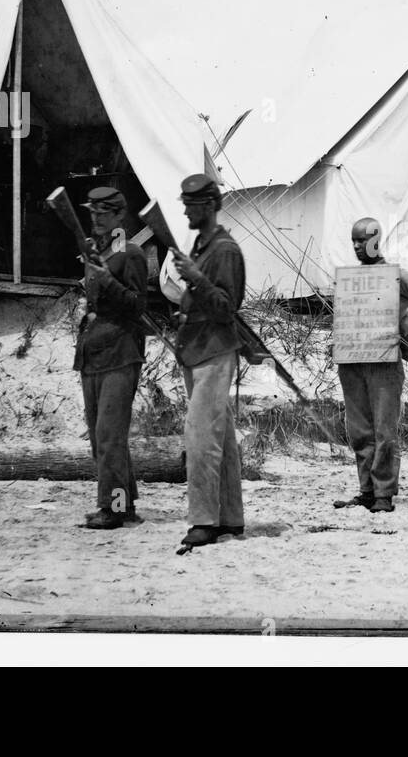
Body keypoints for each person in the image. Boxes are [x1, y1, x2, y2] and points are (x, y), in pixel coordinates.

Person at [333, 216, 408, 513]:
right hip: (353, 360)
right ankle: (366, 490)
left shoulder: (395, 275)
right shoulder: (350, 279)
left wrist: (399, 325)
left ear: (376, 239)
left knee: (384, 429)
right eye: (354, 241)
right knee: (359, 429)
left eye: (363, 240)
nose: (358, 246)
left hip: (383, 361)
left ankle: (384, 492)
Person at [170, 174, 247, 548]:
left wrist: (196, 278)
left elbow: (227, 308)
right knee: (222, 439)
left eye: (190, 203)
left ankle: (204, 521)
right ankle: (230, 517)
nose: (184, 209)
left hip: (215, 348)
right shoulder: (204, 246)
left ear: (208, 205)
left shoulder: (225, 251)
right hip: (198, 347)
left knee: (201, 438)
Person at [74, 187, 147, 530]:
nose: (97, 218)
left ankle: (113, 509)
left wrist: (107, 281)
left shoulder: (129, 253)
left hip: (120, 353)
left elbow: (137, 306)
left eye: (105, 213)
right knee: (100, 436)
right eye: (93, 212)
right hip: (94, 353)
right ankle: (124, 504)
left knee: (109, 436)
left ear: (120, 216)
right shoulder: (98, 251)